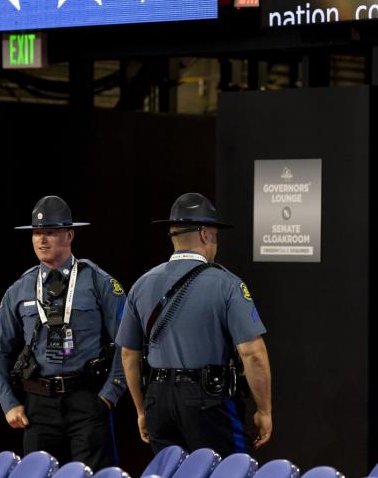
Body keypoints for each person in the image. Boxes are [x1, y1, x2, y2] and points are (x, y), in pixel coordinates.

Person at [116, 192, 273, 457]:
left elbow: (129, 355)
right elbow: (253, 354)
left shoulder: (142, 284)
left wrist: (142, 410)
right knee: (230, 472)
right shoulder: (226, 284)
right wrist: (264, 410)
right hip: (208, 402)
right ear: (205, 234)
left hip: (158, 401)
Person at [0, 195, 127, 469]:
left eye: (50, 232)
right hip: (39, 407)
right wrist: (8, 402)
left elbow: (128, 342)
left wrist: (110, 393)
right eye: (37, 233)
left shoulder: (98, 282)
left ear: (70, 235)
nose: (42, 240)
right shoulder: (20, 289)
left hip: (87, 401)